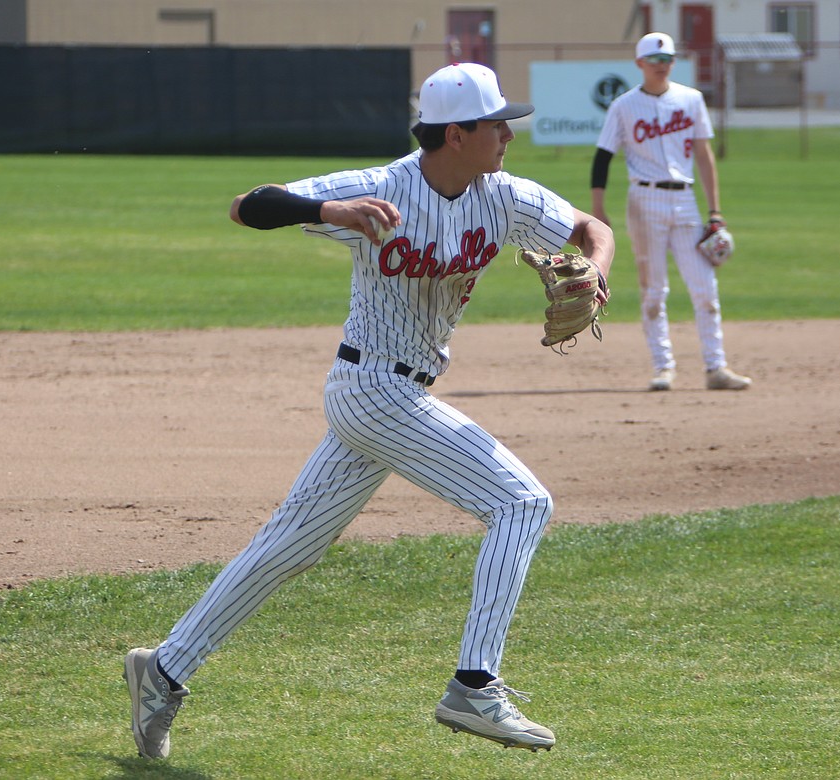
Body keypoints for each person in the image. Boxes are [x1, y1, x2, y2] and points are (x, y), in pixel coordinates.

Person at [124, 61, 614, 758]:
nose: (508, 133)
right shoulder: (382, 188)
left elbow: (593, 228)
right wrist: (329, 211)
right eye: (497, 123)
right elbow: (248, 205)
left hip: (401, 395)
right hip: (370, 387)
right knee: (521, 503)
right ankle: (474, 687)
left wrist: (596, 272)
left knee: (287, 547)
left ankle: (163, 669)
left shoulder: (502, 196)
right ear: (456, 133)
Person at [590, 32, 750, 392]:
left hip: (686, 201)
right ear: (640, 64)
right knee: (654, 290)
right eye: (655, 60)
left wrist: (715, 211)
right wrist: (598, 206)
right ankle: (663, 367)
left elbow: (704, 157)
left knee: (705, 287)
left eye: (668, 60)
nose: (663, 66)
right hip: (644, 201)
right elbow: (603, 157)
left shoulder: (691, 99)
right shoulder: (624, 106)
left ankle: (716, 368)